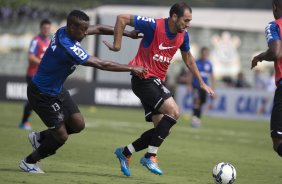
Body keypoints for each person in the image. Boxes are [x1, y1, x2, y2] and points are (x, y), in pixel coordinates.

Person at [19, 10, 147, 174]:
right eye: (83, 29)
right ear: (71, 27)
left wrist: (127, 33)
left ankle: (40, 137)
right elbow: (102, 64)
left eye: (86, 28)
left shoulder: (69, 31)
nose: (86, 32)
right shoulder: (67, 47)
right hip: (41, 94)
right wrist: (132, 68)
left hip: (57, 90)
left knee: (78, 124)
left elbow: (99, 28)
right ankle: (29, 162)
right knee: (61, 137)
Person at [104, 2, 214, 176]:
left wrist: (201, 82)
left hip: (156, 82)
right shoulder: (154, 25)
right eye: (186, 20)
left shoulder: (183, 35)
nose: (188, 24)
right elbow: (122, 18)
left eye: (190, 21)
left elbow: (189, 59)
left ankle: (125, 152)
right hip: (144, 78)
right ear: (174, 17)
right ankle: (150, 156)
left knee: (163, 129)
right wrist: (117, 46)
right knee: (174, 112)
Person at [251, 0, 282, 159]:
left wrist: (259, 57)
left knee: (278, 141)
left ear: (274, 7)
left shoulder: (275, 25)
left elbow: (276, 52)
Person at [19, 19, 51, 130]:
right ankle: (24, 122)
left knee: (38, 98)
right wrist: (42, 63)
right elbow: (30, 56)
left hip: (43, 76)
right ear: (40, 28)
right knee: (35, 99)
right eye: (44, 28)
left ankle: (25, 120)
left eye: (48, 28)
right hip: (32, 74)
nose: (46, 30)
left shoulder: (49, 41)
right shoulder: (35, 41)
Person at [188, 47, 215, 128]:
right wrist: (189, 85)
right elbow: (190, 74)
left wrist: (213, 88)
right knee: (197, 101)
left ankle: (197, 118)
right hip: (196, 85)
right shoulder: (196, 62)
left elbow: (212, 76)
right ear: (201, 54)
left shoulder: (209, 64)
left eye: (205, 54)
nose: (204, 55)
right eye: (203, 54)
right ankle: (195, 118)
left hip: (205, 87)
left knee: (202, 102)